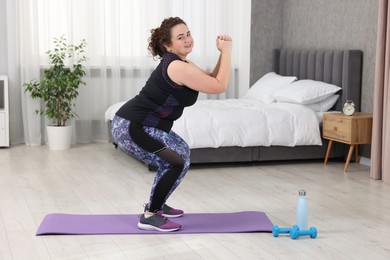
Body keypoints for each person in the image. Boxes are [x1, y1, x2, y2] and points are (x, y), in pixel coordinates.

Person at [111, 17, 232, 232]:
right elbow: (219, 85)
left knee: (182, 152)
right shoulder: (176, 66)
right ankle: (149, 215)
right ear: (167, 45)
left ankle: (159, 202)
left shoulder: (181, 62)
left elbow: (212, 77)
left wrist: (222, 53)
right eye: (180, 37)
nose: (187, 40)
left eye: (188, 34)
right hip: (132, 126)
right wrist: (228, 51)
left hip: (141, 124)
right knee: (175, 162)